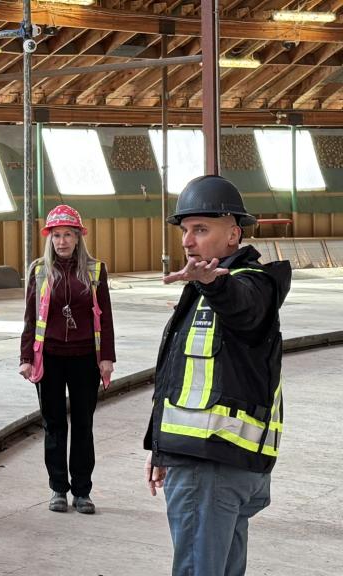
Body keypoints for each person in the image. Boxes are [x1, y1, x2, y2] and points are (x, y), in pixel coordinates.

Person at [145, 175, 290, 576]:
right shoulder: (203, 292)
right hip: (212, 461)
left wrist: (213, 285)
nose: (188, 241)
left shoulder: (251, 286)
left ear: (234, 235)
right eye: (186, 231)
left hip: (211, 468)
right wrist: (162, 448)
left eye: (201, 229)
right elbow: (180, 374)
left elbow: (242, 308)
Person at [18, 204, 115, 515]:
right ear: (50, 238)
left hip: (85, 358)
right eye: (57, 235)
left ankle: (82, 492)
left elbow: (107, 318)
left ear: (78, 238)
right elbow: (30, 318)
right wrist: (26, 358)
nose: (61, 241)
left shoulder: (95, 270)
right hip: (50, 359)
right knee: (54, 425)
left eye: (68, 235)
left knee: (83, 425)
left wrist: (107, 358)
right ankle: (58, 489)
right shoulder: (39, 270)